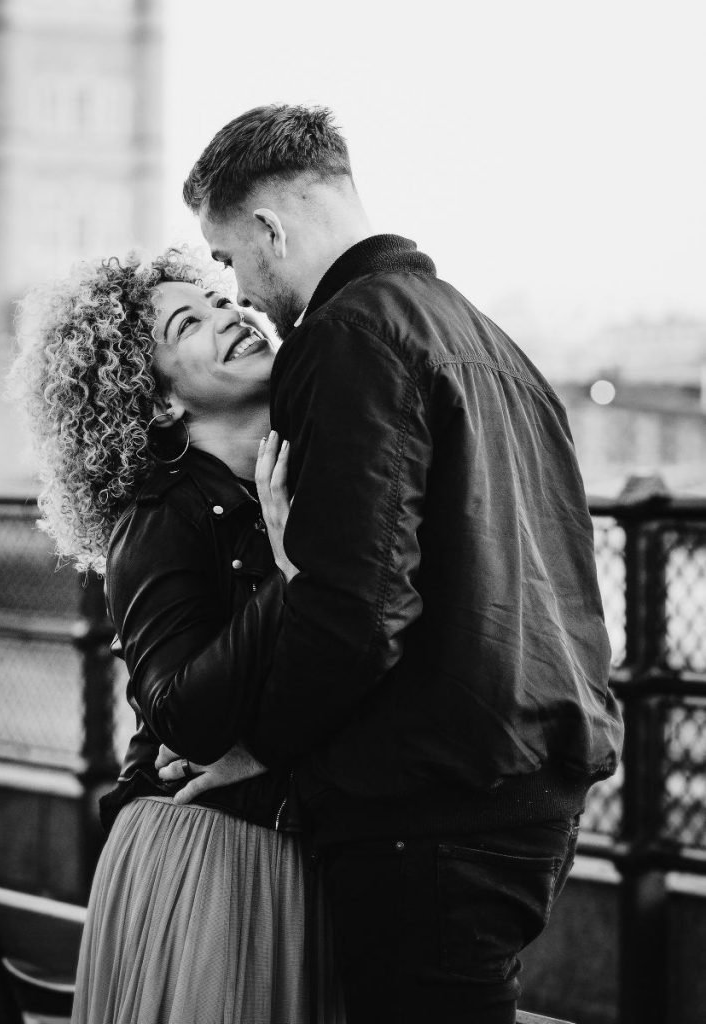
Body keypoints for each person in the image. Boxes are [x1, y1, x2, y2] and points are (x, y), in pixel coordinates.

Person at [178, 104, 626, 1024]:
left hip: (430, 801)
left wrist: (259, 749)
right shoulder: (487, 340)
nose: (241, 290)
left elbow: (357, 605)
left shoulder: (344, 336)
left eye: (227, 259)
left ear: (269, 228)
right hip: (530, 780)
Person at [8, 249, 343, 1024]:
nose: (230, 316)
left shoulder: (313, 477)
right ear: (154, 402)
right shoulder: (159, 514)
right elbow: (178, 716)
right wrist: (285, 573)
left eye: (222, 301)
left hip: (299, 846)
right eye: (187, 322)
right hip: (208, 857)